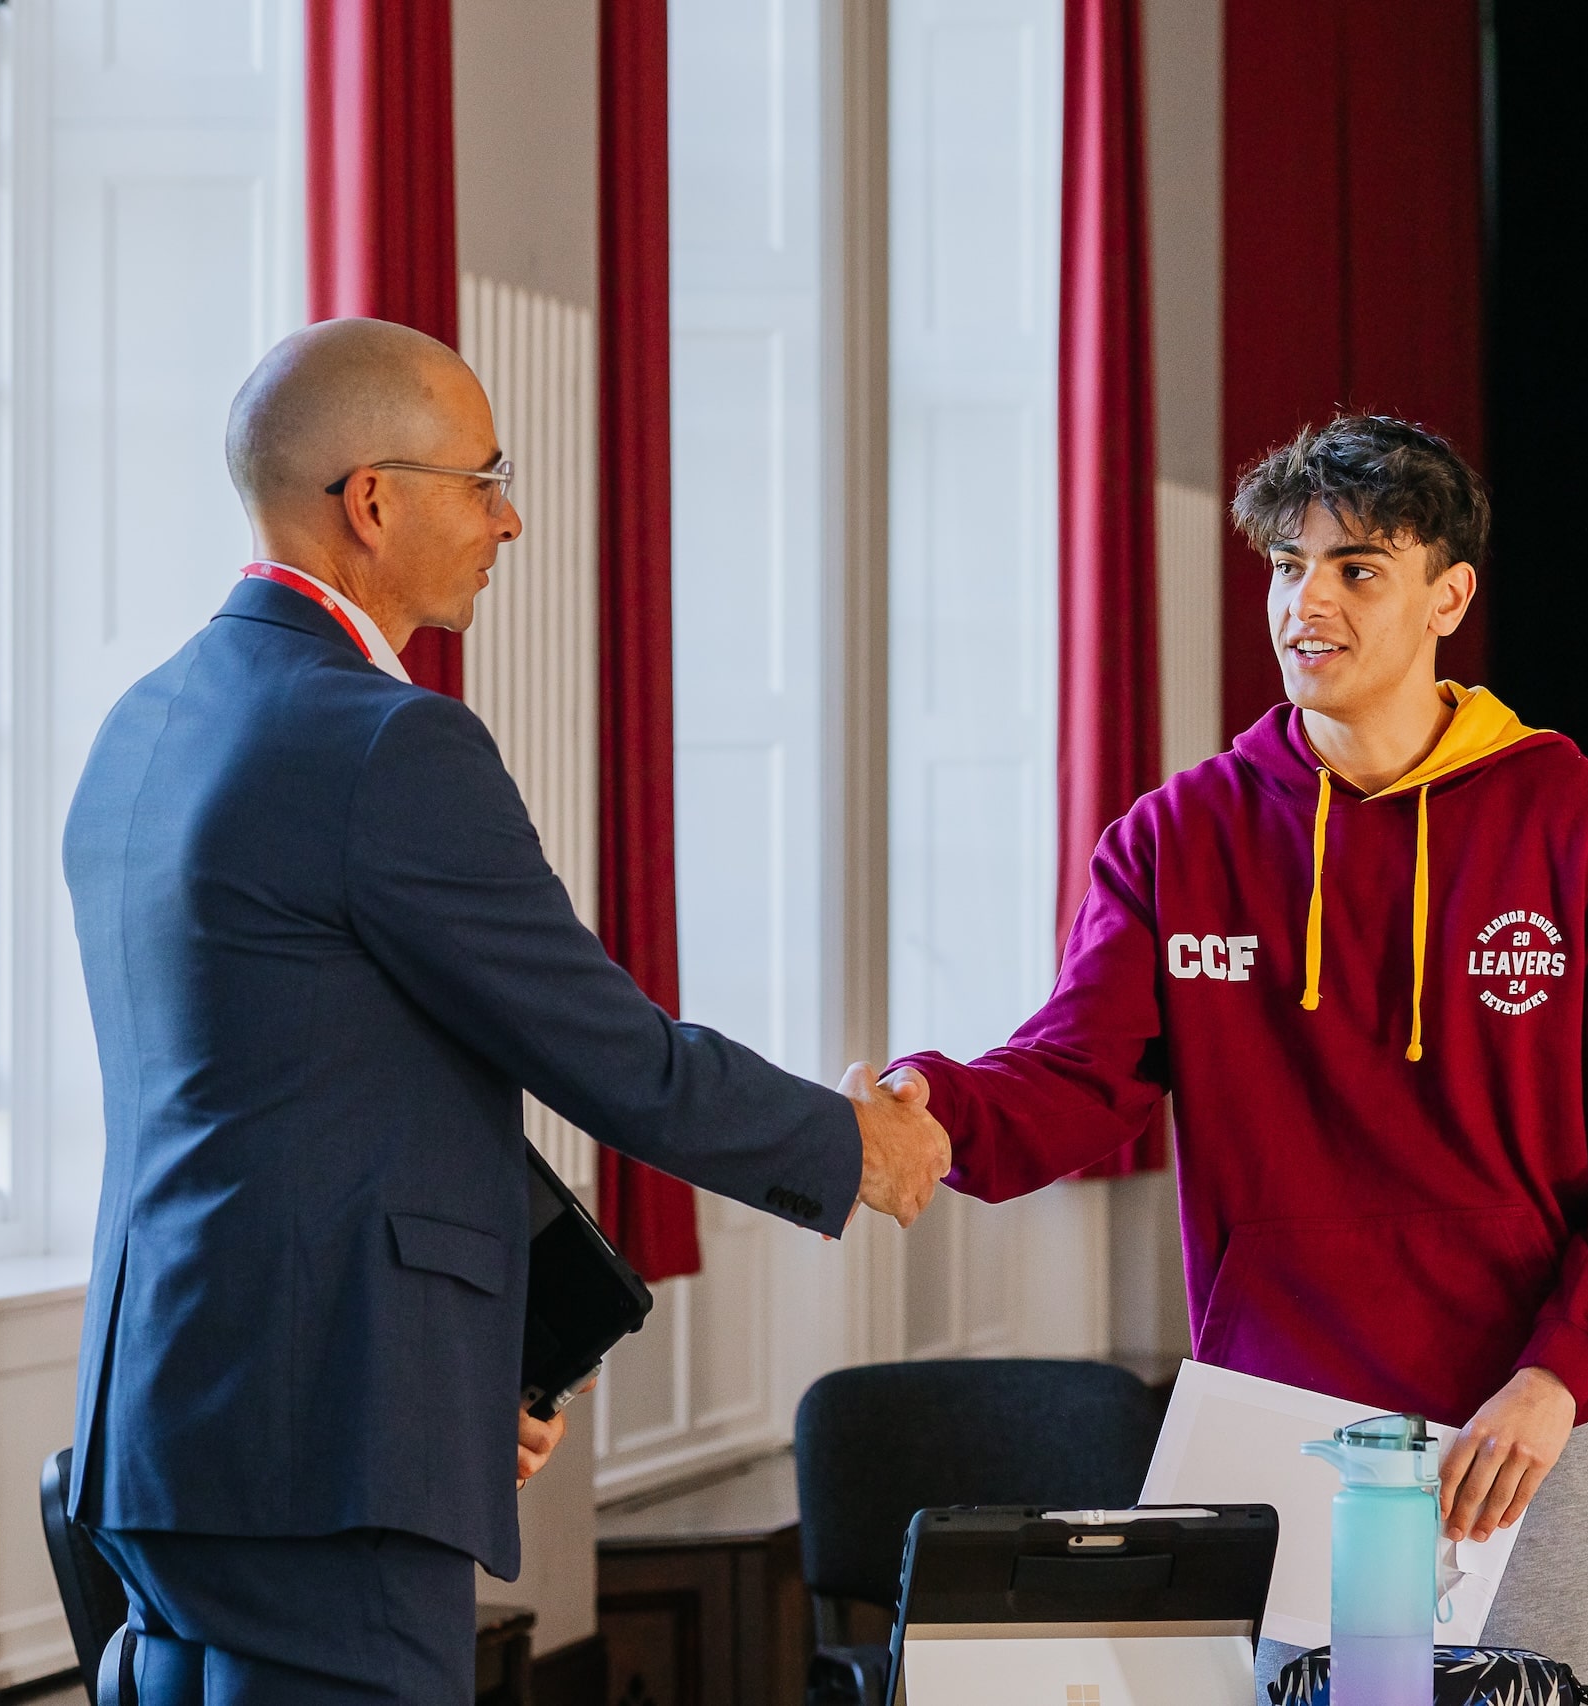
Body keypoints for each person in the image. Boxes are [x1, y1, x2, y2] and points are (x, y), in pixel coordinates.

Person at [61, 317, 951, 1703]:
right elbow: (613, 1053)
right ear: (373, 500)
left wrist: (466, 1351)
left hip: (163, 1429)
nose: (510, 515)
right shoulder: (385, 740)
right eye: (483, 478)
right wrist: (859, 1145)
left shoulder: (142, 723)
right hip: (325, 1455)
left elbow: (297, 1087)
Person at [874, 415, 1588, 1706]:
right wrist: (933, 1107)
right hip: (1279, 1442)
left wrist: (1562, 1375)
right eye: (1286, 564)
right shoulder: (1179, 836)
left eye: (1355, 567)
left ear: (1450, 595)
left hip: (1517, 1427)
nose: (1306, 602)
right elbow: (1073, 1077)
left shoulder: (1582, 827)